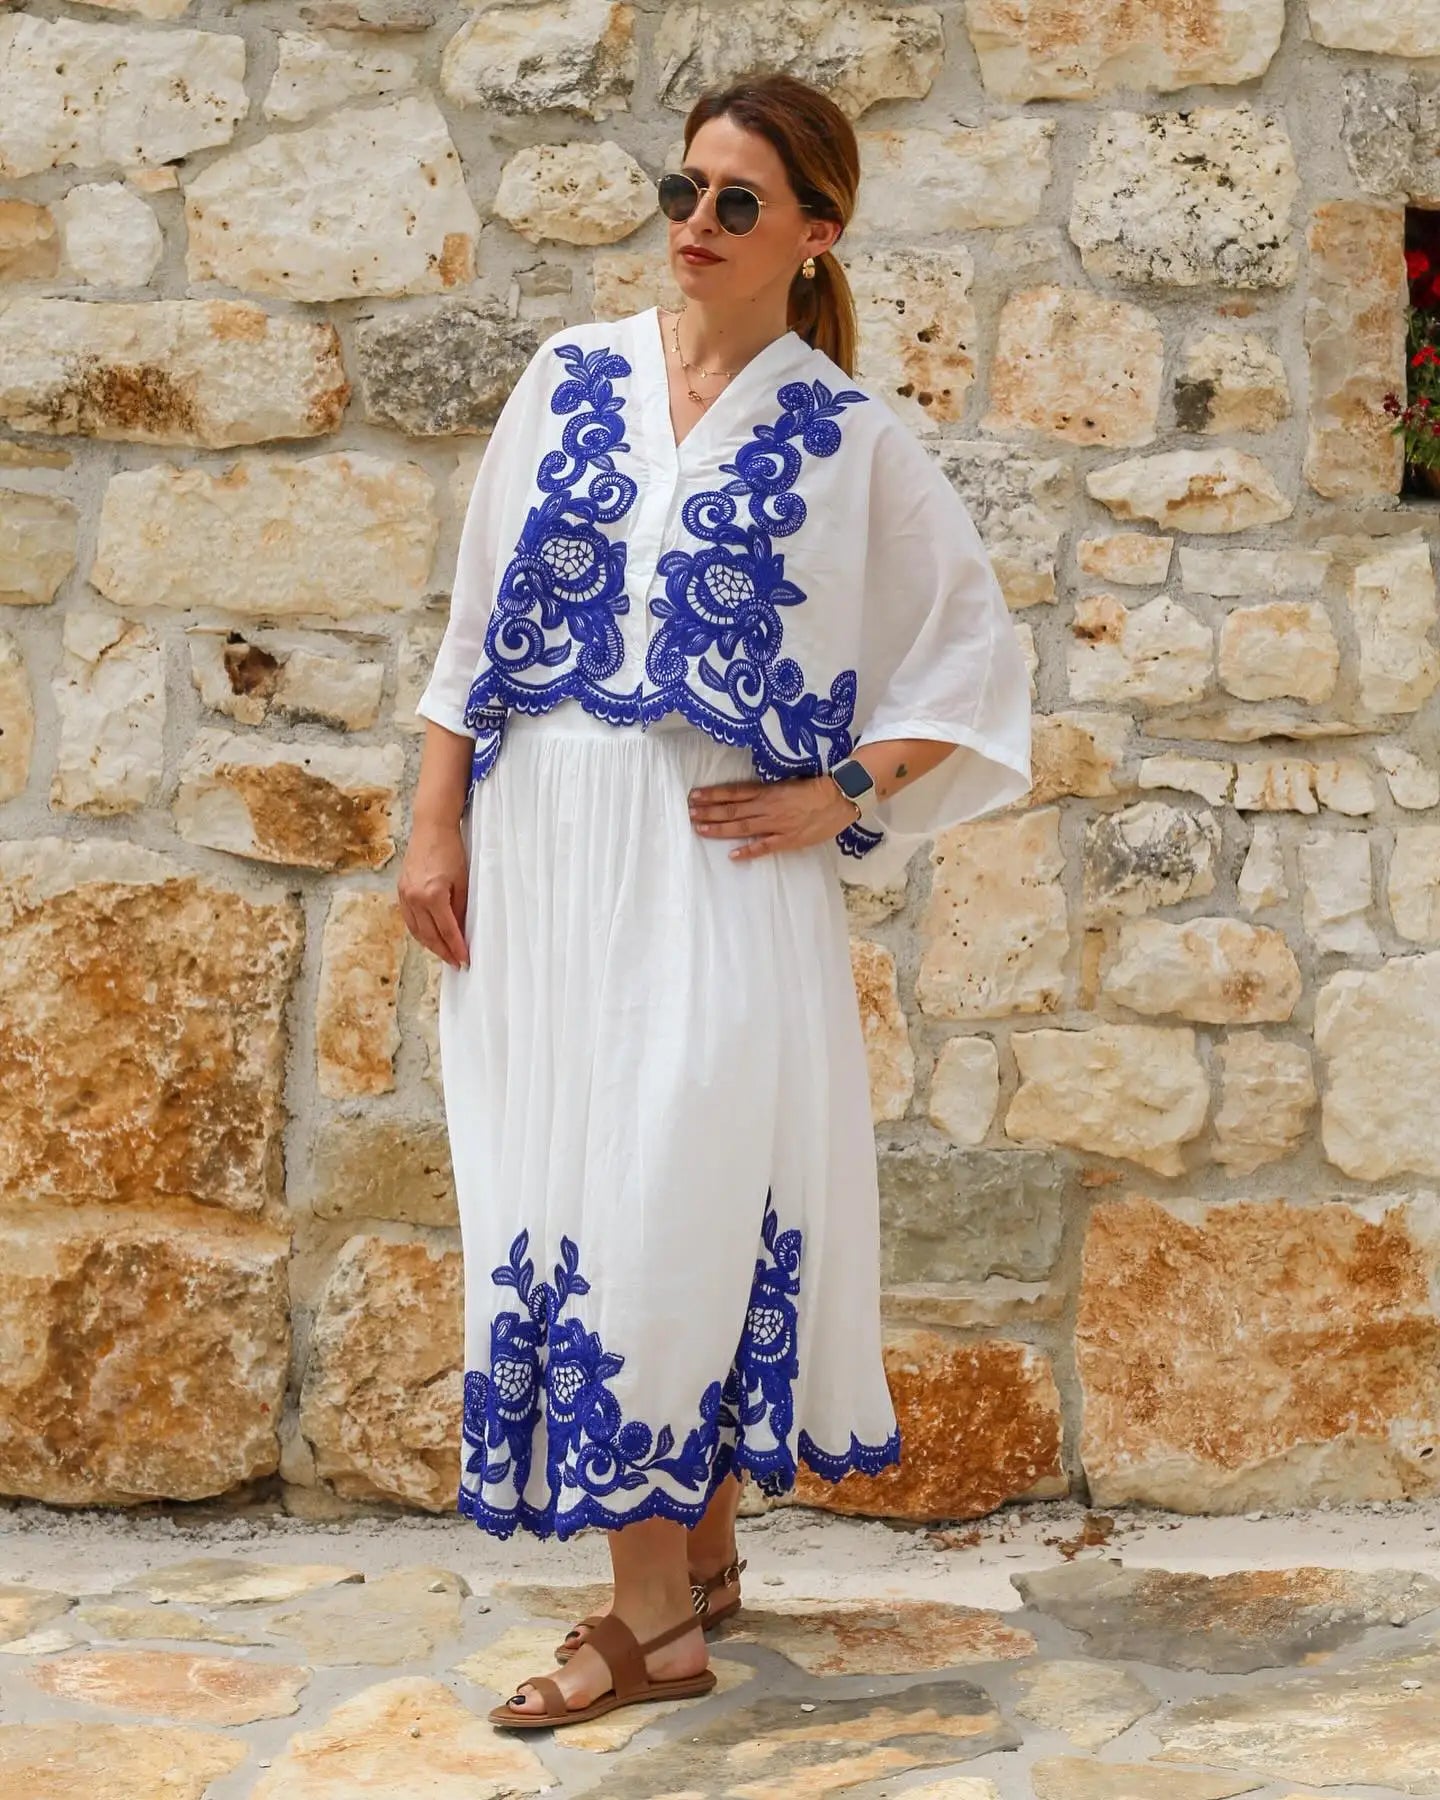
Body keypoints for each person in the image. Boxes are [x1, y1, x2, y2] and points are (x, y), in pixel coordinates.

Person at [396, 68, 1032, 1732]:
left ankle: (648, 1625)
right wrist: (433, 825)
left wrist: (844, 787)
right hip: (545, 860)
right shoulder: (569, 376)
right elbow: (474, 625)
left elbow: (975, 660)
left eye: (736, 200)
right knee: (569, 1190)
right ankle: (690, 1569)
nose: (694, 222)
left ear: (816, 231)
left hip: (714, 868)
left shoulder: (848, 437)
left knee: (676, 1193)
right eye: (682, 188)